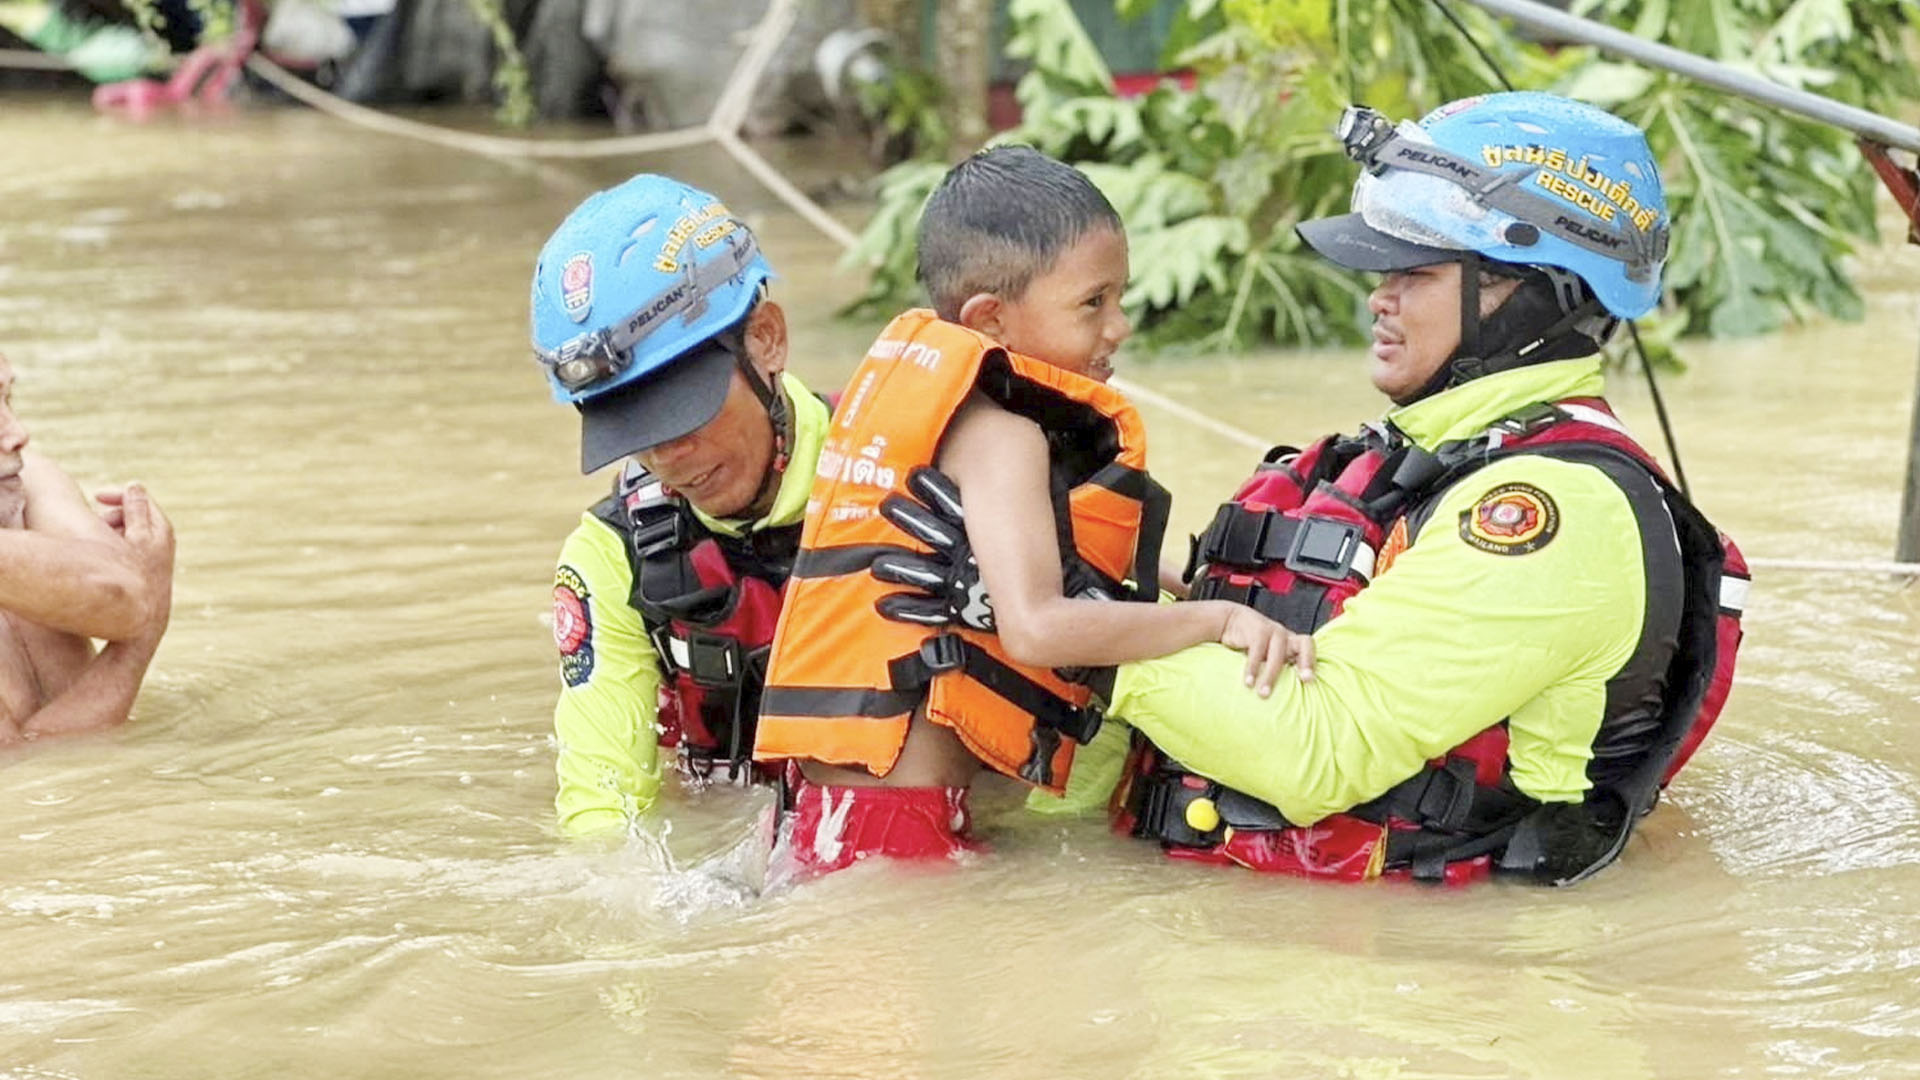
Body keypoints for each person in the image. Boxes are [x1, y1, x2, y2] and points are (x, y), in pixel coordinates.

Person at [880, 93, 1747, 886]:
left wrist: (1062, 629)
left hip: (1427, 983)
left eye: (1415, 274)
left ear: (1525, 295)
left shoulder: (1554, 514)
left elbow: (1320, 752)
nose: (1380, 299)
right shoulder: (1401, 459)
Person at [753, 146, 1307, 874]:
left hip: (822, 813)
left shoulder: (943, 417)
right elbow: (1038, 628)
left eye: (1119, 297)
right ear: (993, 320)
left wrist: (1173, 581)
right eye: (1093, 303)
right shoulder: (1004, 437)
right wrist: (1221, 619)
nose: (1120, 326)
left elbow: (1000, 563)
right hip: (899, 826)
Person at [531, 174, 835, 837]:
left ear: (766, 340)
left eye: (683, 410)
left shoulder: (910, 477)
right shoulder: (614, 557)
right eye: (636, 431)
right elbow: (602, 808)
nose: (667, 455)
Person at [0, 351, 174, 745]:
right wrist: (141, 641)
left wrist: (150, 590)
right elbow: (35, 764)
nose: (17, 433)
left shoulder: (30, 480)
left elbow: (126, 597)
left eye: (7, 400)